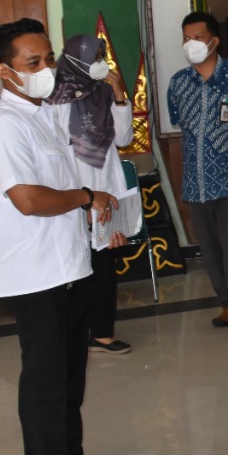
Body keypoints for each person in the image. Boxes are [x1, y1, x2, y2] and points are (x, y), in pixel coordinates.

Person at [0, 18, 122, 455]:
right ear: (5, 71)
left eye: (48, 60)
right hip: (34, 272)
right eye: (32, 63)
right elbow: (29, 200)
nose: (46, 70)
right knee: (43, 382)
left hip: (69, 267)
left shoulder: (43, 115)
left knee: (70, 375)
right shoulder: (4, 126)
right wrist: (86, 195)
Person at [167, 11, 228, 337]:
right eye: (186, 37)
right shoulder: (179, 83)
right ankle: (227, 304)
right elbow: (179, 123)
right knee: (210, 250)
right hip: (196, 181)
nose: (191, 43)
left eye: (197, 37)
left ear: (214, 40)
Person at [47, 34, 141, 356]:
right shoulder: (54, 100)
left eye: (102, 56)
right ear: (75, 60)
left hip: (108, 181)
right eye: (95, 57)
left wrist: (118, 94)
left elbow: (125, 137)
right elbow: (58, 153)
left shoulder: (102, 91)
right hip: (76, 191)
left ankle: (100, 333)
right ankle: (75, 330)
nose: (102, 63)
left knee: (104, 260)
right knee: (76, 263)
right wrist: (82, 199)